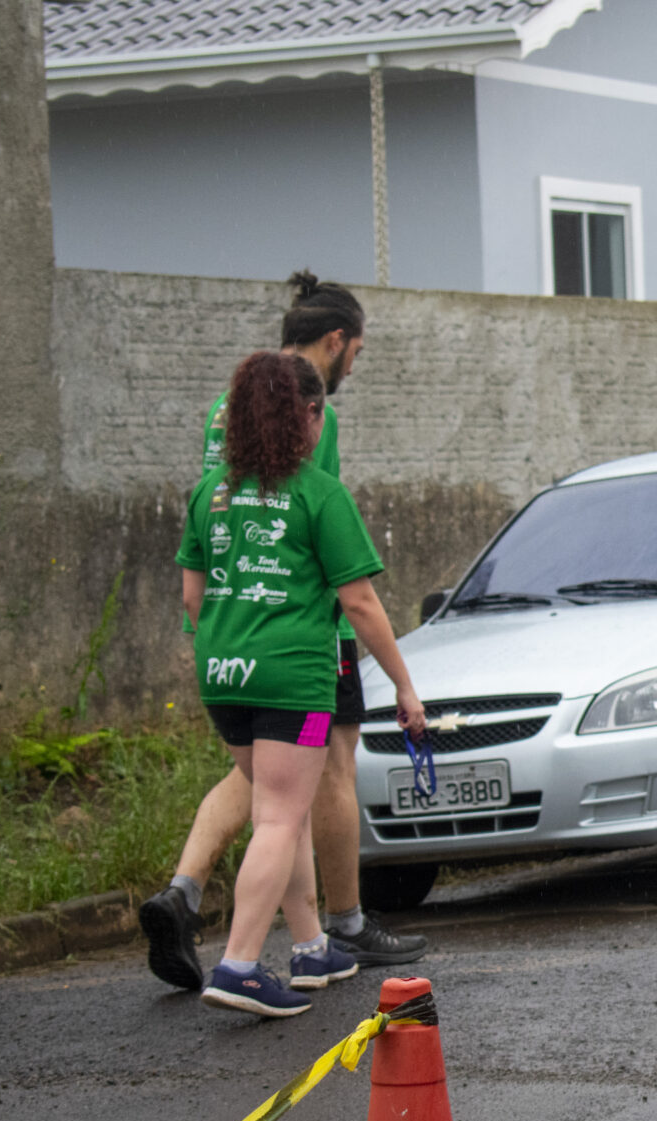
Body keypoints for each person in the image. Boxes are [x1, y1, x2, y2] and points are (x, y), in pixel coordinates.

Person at [140, 272, 427, 992]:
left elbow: (193, 585)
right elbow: (354, 594)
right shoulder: (313, 467)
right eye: (353, 355)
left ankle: (221, 903)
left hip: (223, 660)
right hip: (299, 649)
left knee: (268, 794)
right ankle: (273, 950)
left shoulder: (215, 464)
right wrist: (403, 683)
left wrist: (219, 639)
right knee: (295, 799)